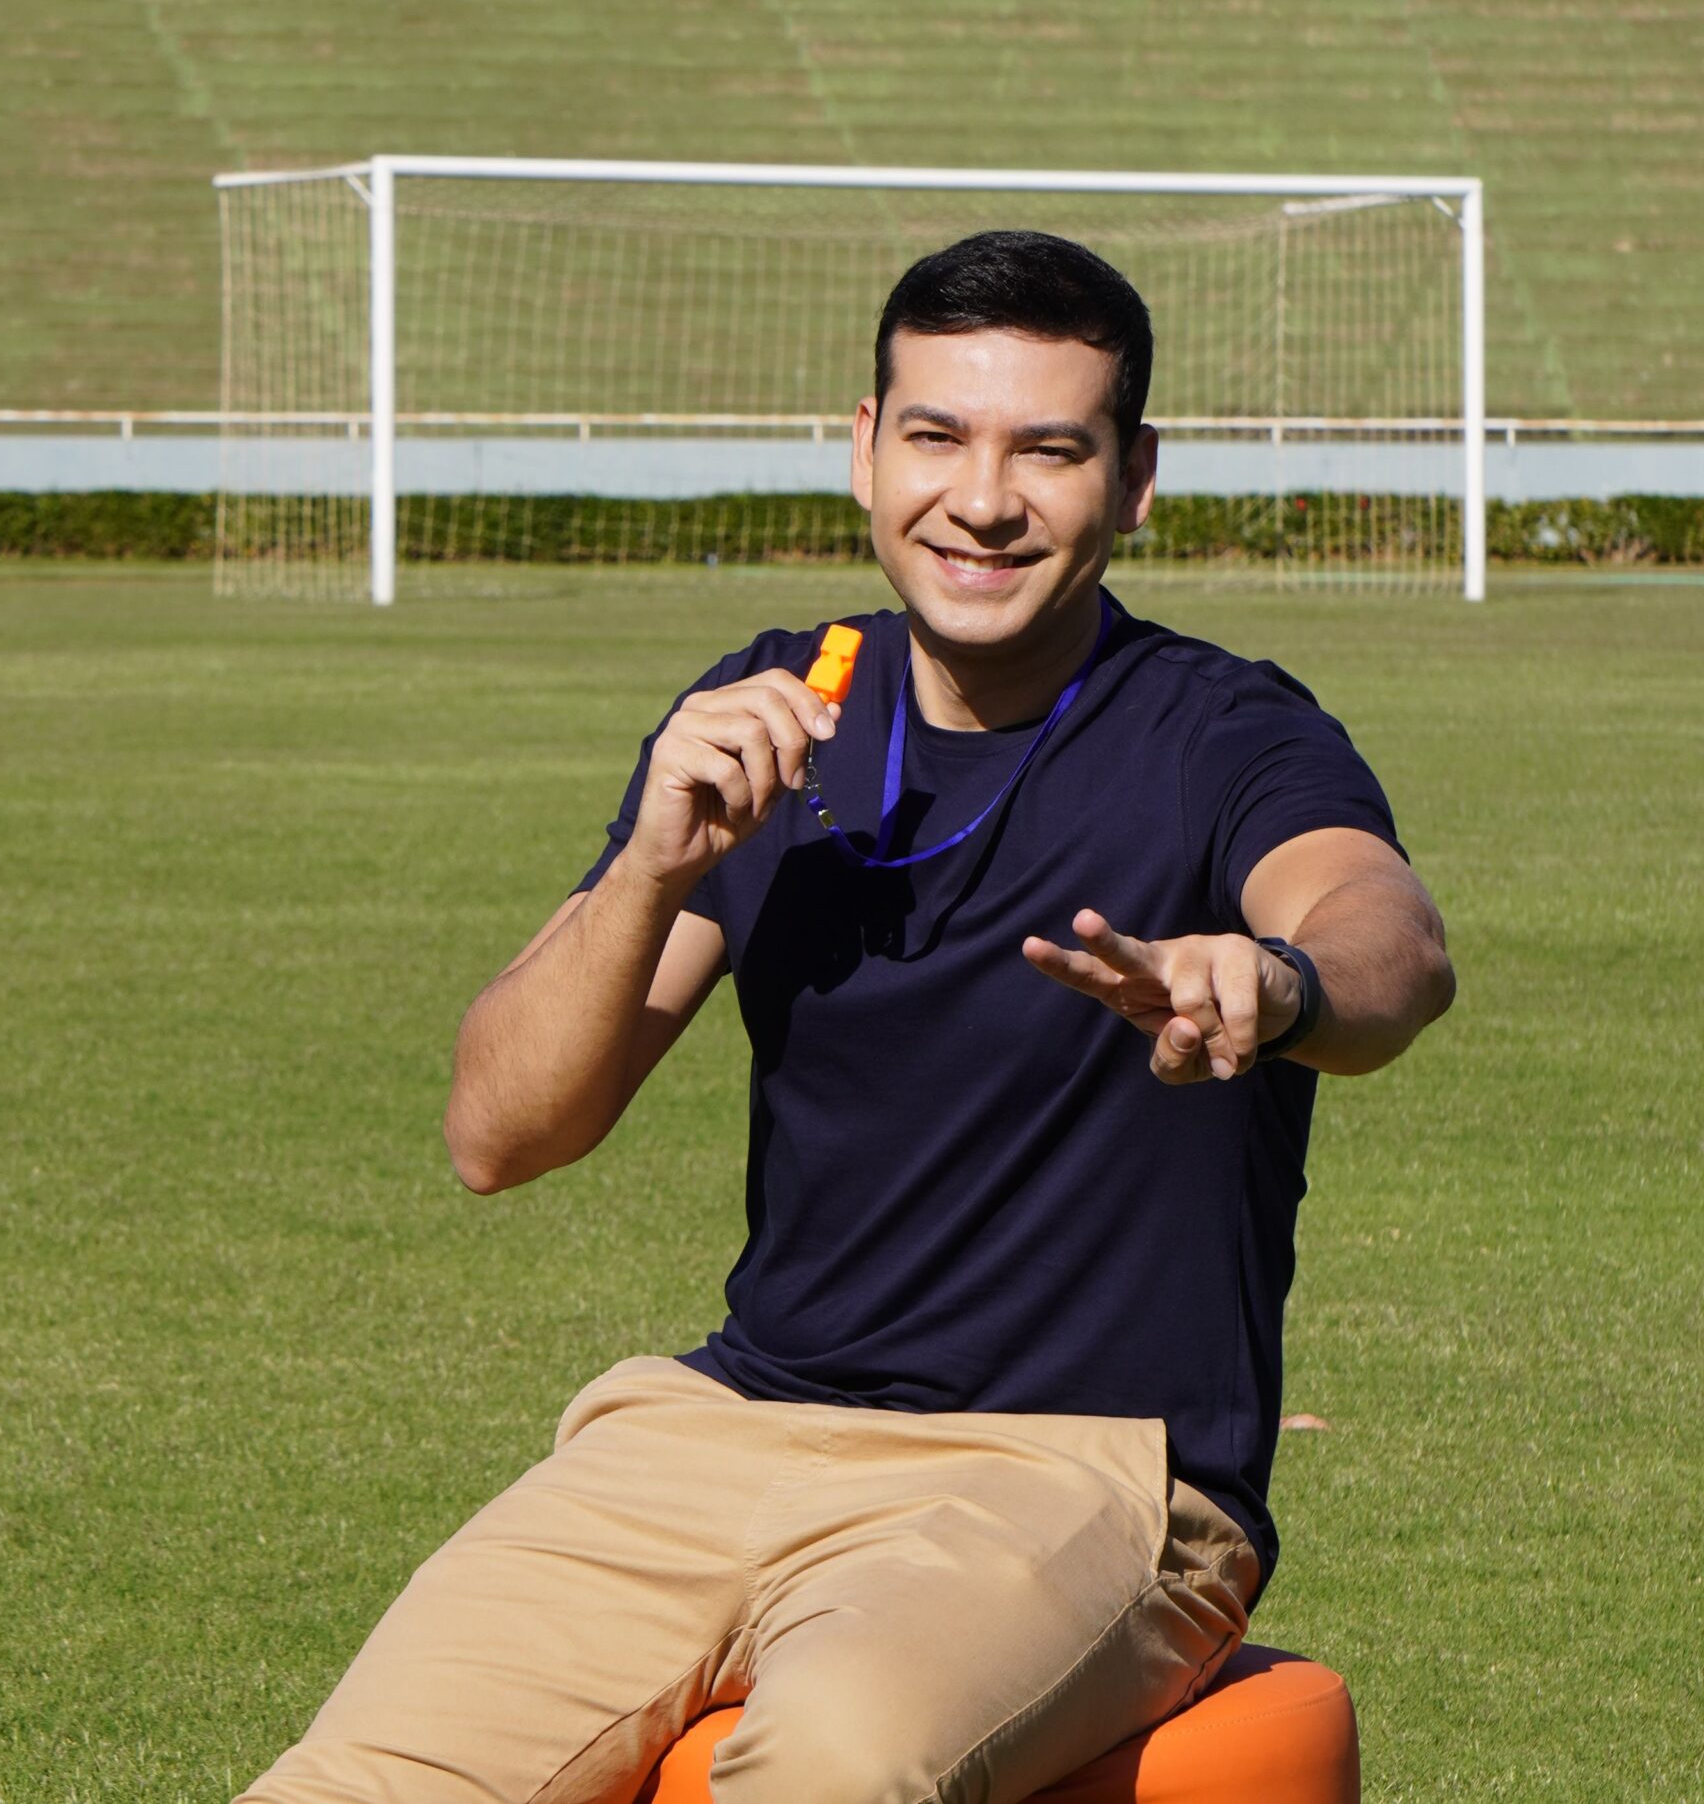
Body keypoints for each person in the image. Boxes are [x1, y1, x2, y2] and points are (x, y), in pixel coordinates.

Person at [237, 230, 1456, 1804]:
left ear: (1136, 477)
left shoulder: (1219, 730)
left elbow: (1388, 937)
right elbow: (500, 1131)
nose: (985, 496)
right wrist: (657, 868)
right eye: (938, 434)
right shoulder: (778, 707)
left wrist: (1273, 982)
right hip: (711, 1434)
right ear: (866, 447)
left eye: (1050, 448)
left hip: (1080, 1468)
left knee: (829, 1761)